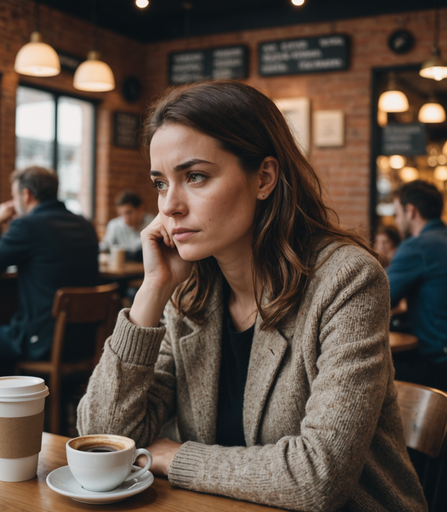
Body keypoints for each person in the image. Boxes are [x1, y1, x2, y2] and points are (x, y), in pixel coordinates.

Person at [77, 81, 426, 511]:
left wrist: (175, 455)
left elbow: (318, 477)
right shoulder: (189, 292)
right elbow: (104, 438)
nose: (168, 206)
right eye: (161, 183)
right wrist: (153, 291)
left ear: (264, 178)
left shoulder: (346, 280)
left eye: (195, 176)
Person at [0, 166, 99, 389]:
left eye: (15, 197)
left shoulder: (27, 226)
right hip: (85, 342)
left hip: (42, 342)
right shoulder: (84, 224)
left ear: (26, 195)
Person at [386, 180, 447, 390]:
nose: (397, 220)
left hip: (438, 364)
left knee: (370, 373)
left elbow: (379, 296)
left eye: (397, 214)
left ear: (410, 211)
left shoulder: (418, 246)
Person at [99, 191, 154, 260]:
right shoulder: (115, 225)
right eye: (121, 214)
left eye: (128, 213)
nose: (124, 218)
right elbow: (105, 246)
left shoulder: (152, 223)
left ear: (140, 209)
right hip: (122, 269)